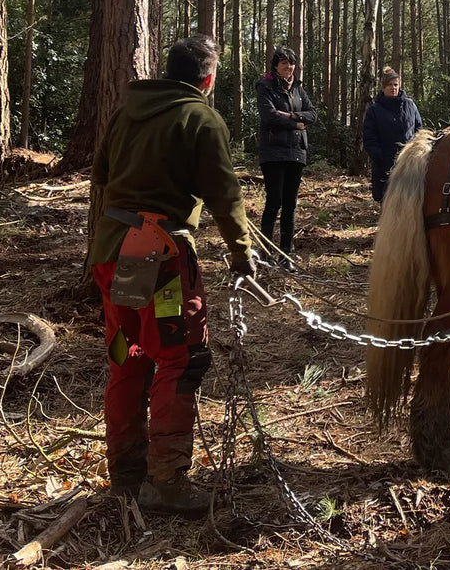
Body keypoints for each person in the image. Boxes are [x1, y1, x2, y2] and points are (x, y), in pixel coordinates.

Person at [86, 35, 256, 516]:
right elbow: (225, 197)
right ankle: (167, 479)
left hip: (112, 253)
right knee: (180, 360)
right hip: (160, 261)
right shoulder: (200, 117)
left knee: (129, 357)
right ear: (207, 78)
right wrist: (242, 255)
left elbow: (101, 175)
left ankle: (125, 474)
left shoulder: (124, 113)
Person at [255, 45, 318, 255]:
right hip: (273, 152)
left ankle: (286, 252)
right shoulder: (266, 86)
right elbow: (269, 115)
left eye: (292, 64)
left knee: (290, 204)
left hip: (297, 151)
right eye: (284, 63)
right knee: (274, 201)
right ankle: (265, 251)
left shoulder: (298, 88)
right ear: (276, 66)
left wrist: (291, 116)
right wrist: (298, 122)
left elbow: (312, 114)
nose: (289, 68)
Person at [362, 66, 424, 203]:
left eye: (396, 85)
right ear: (383, 88)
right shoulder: (374, 110)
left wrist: (416, 153)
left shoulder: (410, 105)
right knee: (387, 200)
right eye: (389, 85)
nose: (393, 88)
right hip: (385, 164)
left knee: (409, 199)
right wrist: (380, 156)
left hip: (409, 162)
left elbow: (419, 130)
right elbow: (369, 138)